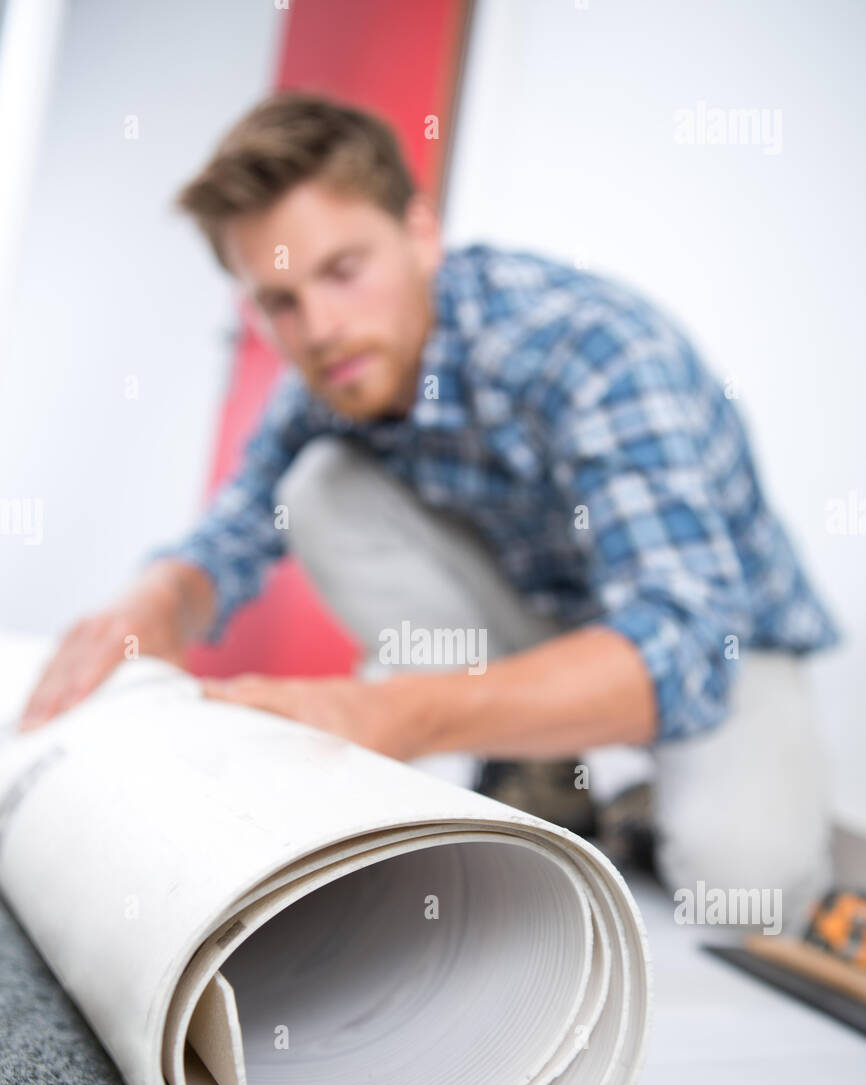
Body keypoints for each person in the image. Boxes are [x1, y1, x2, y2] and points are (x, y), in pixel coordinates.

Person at [18, 91, 840, 929]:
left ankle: (622, 795)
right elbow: (234, 531)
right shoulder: (332, 377)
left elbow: (683, 640)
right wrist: (153, 599)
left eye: (343, 271)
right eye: (279, 301)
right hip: (550, 621)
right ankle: (547, 764)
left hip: (721, 637)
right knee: (320, 486)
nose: (321, 328)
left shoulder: (590, 346)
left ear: (420, 233)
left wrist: (385, 716)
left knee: (747, 885)